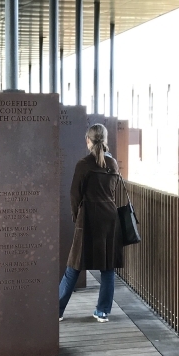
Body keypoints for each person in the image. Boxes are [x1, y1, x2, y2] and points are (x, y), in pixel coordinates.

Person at [59, 123, 123, 323]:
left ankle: (57, 310)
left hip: (87, 217)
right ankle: (102, 312)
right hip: (109, 217)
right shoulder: (112, 164)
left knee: (74, 265)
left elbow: (74, 195)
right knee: (107, 267)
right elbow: (114, 191)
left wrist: (76, 216)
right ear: (104, 140)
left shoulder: (83, 164)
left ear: (88, 140)